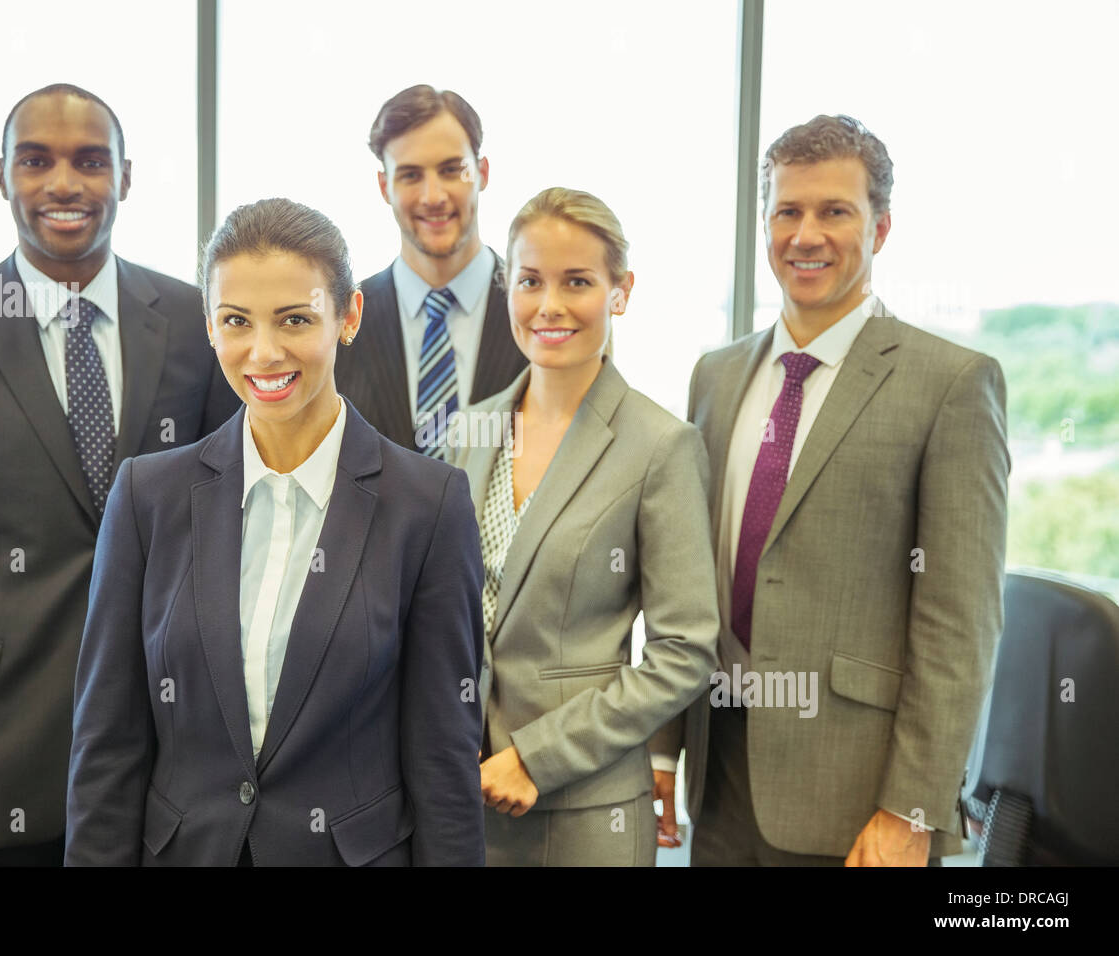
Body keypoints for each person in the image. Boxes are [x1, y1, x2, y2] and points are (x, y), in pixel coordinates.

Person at [0, 84, 238, 867]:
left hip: (170, 779)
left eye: (89, 161)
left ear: (126, 178)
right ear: (1, 177)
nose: (63, 183)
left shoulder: (197, 326)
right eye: (35, 161)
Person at [65, 198, 486, 866]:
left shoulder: (427, 507)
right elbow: (107, 745)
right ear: (209, 326)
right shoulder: (148, 497)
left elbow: (443, 758)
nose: (263, 352)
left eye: (295, 319)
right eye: (237, 321)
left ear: (347, 317)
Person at [651, 115, 1010, 866]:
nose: (805, 234)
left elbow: (959, 624)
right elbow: (684, 582)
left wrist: (912, 807)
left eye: (834, 211)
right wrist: (663, 750)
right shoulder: (715, 375)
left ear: (879, 229)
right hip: (719, 778)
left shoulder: (949, 384)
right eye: (788, 211)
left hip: (858, 801)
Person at [453, 187, 719, 866]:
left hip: (583, 813)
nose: (549, 305)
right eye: (530, 280)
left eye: (578, 282)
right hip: (462, 801)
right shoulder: (469, 431)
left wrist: (536, 758)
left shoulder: (660, 446)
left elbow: (684, 652)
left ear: (619, 291)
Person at [334, 84, 526, 457]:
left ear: (482, 172)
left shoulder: (536, 311)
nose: (433, 196)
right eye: (410, 175)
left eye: (451, 170)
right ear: (384, 186)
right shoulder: (342, 321)